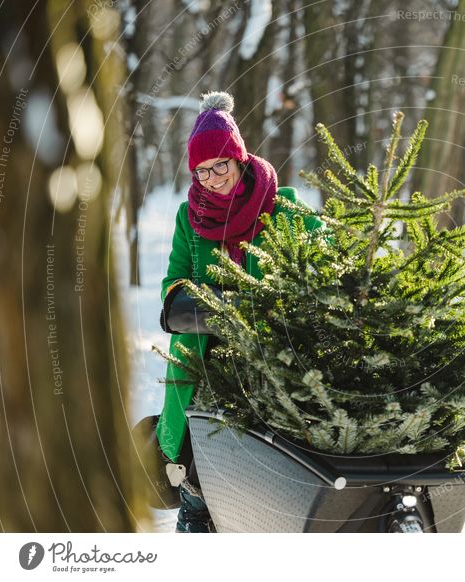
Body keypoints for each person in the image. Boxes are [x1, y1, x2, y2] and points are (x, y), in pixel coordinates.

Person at [157, 91, 323, 532]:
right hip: (207, 357)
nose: (212, 179)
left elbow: (326, 266)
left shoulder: (284, 208)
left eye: (220, 166)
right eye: (201, 171)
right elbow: (173, 286)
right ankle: (196, 521)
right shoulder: (187, 217)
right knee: (199, 471)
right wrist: (217, 308)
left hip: (278, 357)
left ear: (239, 158)